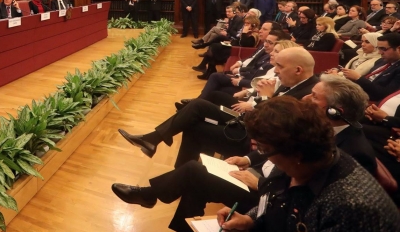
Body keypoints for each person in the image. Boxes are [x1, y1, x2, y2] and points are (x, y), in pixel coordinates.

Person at [110, 76, 378, 232]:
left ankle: (156, 200)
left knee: (194, 172)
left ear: (335, 111)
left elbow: (300, 211)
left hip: (268, 200)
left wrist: (260, 185)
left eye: (314, 96)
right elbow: (284, 176)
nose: (306, 98)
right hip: (266, 198)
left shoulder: (352, 162)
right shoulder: (313, 139)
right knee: (197, 172)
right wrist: (249, 163)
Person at [216, 97, 400, 232]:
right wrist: (250, 220)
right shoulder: (301, 161)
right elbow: (276, 200)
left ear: (296, 154)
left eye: (264, 149)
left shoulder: (350, 208)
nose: (264, 156)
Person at [117, 48, 319, 168]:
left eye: (280, 66)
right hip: (243, 120)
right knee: (197, 110)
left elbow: (270, 126)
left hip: (247, 134)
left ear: (298, 69)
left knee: (195, 115)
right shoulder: (291, 83)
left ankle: (157, 142)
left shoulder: (308, 95)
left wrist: (266, 98)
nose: (275, 70)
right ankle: (164, 149)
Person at [192, 17, 263, 81]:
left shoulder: (254, 35)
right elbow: (239, 41)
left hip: (237, 51)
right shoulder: (249, 32)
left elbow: (244, 44)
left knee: (214, 48)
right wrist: (231, 42)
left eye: (247, 23)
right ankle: (210, 71)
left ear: (253, 25)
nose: (245, 25)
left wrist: (244, 33)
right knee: (214, 47)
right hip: (235, 47)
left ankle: (210, 71)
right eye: (245, 23)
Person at [342, 32, 400, 101]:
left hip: (369, 100)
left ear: (398, 49)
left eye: (383, 49)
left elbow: (385, 94)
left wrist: (358, 78)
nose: (380, 52)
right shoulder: (381, 61)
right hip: (357, 91)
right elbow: (368, 78)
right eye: (379, 48)